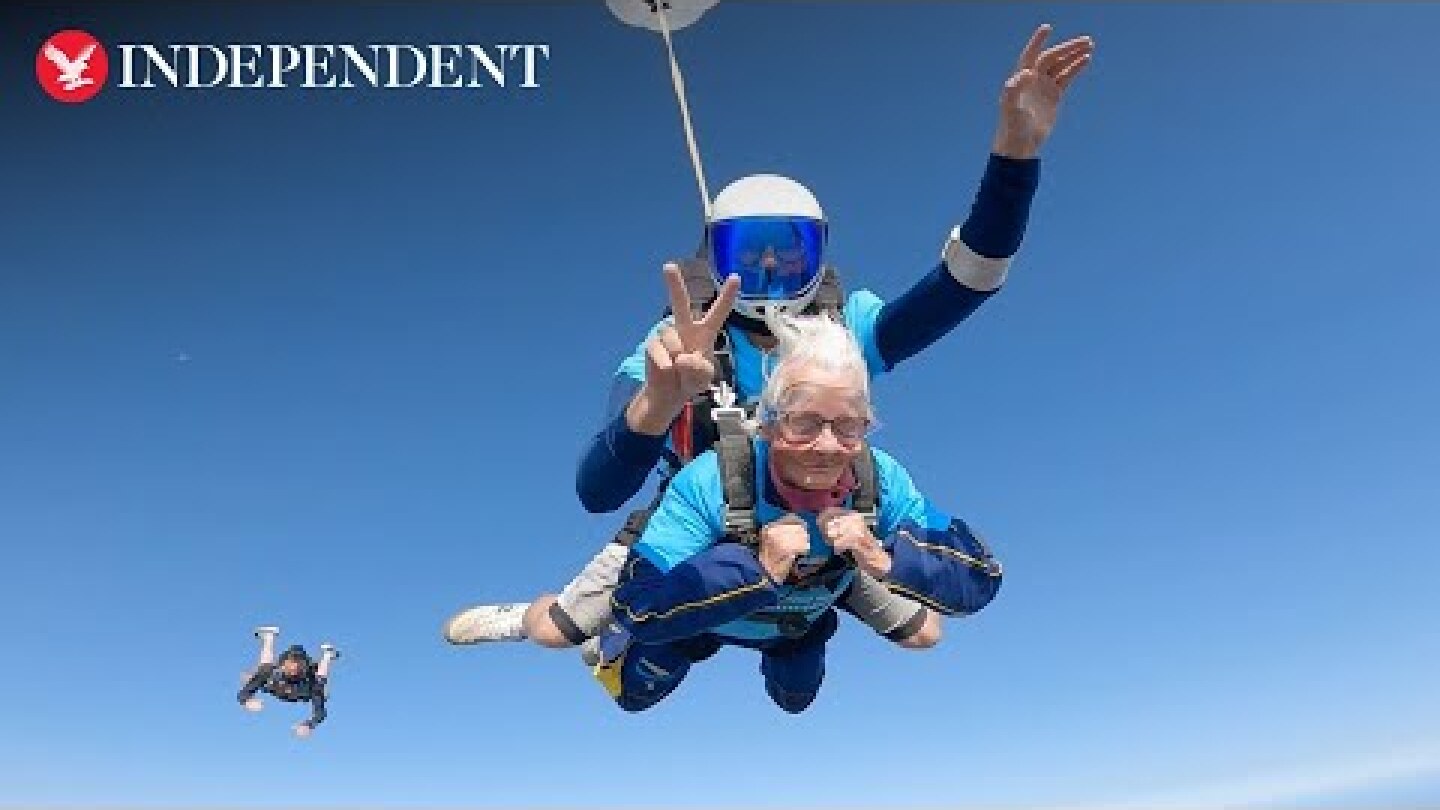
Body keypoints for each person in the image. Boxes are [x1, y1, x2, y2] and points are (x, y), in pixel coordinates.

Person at [444, 23, 1091, 654]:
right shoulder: (681, 344)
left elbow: (967, 283)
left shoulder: (845, 330)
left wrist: (1015, 157)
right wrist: (657, 402)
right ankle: (534, 622)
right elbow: (598, 492)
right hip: (706, 519)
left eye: (790, 251)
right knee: (558, 630)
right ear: (711, 255)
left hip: (824, 520)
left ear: (819, 254)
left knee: (925, 632)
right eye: (749, 253)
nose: (773, 270)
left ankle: (805, 610)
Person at [599, 313, 1002, 712]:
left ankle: (793, 648)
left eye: (848, 426)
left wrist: (883, 557)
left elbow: (980, 575)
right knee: (634, 696)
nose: (827, 446)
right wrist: (754, 567)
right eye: (804, 423)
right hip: (704, 620)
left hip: (794, 629)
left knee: (796, 700)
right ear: (769, 425)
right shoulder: (715, 479)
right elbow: (637, 602)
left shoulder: (882, 480)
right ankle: (586, 636)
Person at [238, 626, 340, 738]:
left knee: (319, 684)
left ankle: (327, 656)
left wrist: (309, 725)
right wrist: (247, 701)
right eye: (291, 666)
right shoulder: (271, 675)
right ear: (283, 665)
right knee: (263, 670)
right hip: (276, 685)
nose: (294, 669)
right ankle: (269, 637)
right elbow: (243, 693)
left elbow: (320, 713)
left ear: (304, 669)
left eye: (298, 667)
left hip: (302, 690)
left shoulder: (312, 686)